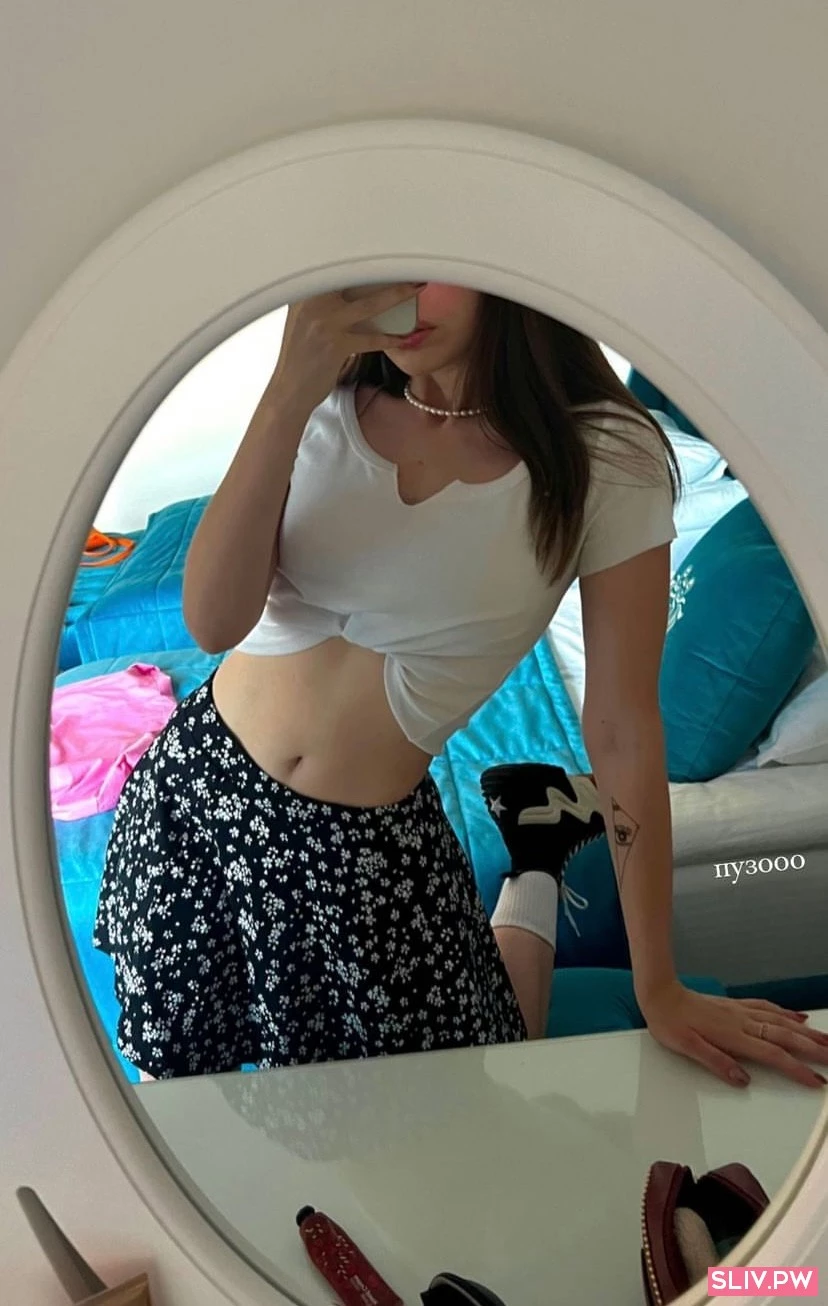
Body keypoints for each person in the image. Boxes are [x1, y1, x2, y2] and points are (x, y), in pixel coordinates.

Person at [94, 282, 828, 1091]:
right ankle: (538, 835)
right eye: (384, 263)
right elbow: (212, 623)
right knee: (186, 1079)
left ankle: (537, 859)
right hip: (196, 795)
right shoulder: (328, 394)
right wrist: (285, 395)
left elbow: (623, 724)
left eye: (427, 265)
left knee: (479, 1064)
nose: (400, 298)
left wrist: (660, 986)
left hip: (366, 851)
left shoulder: (606, 455)